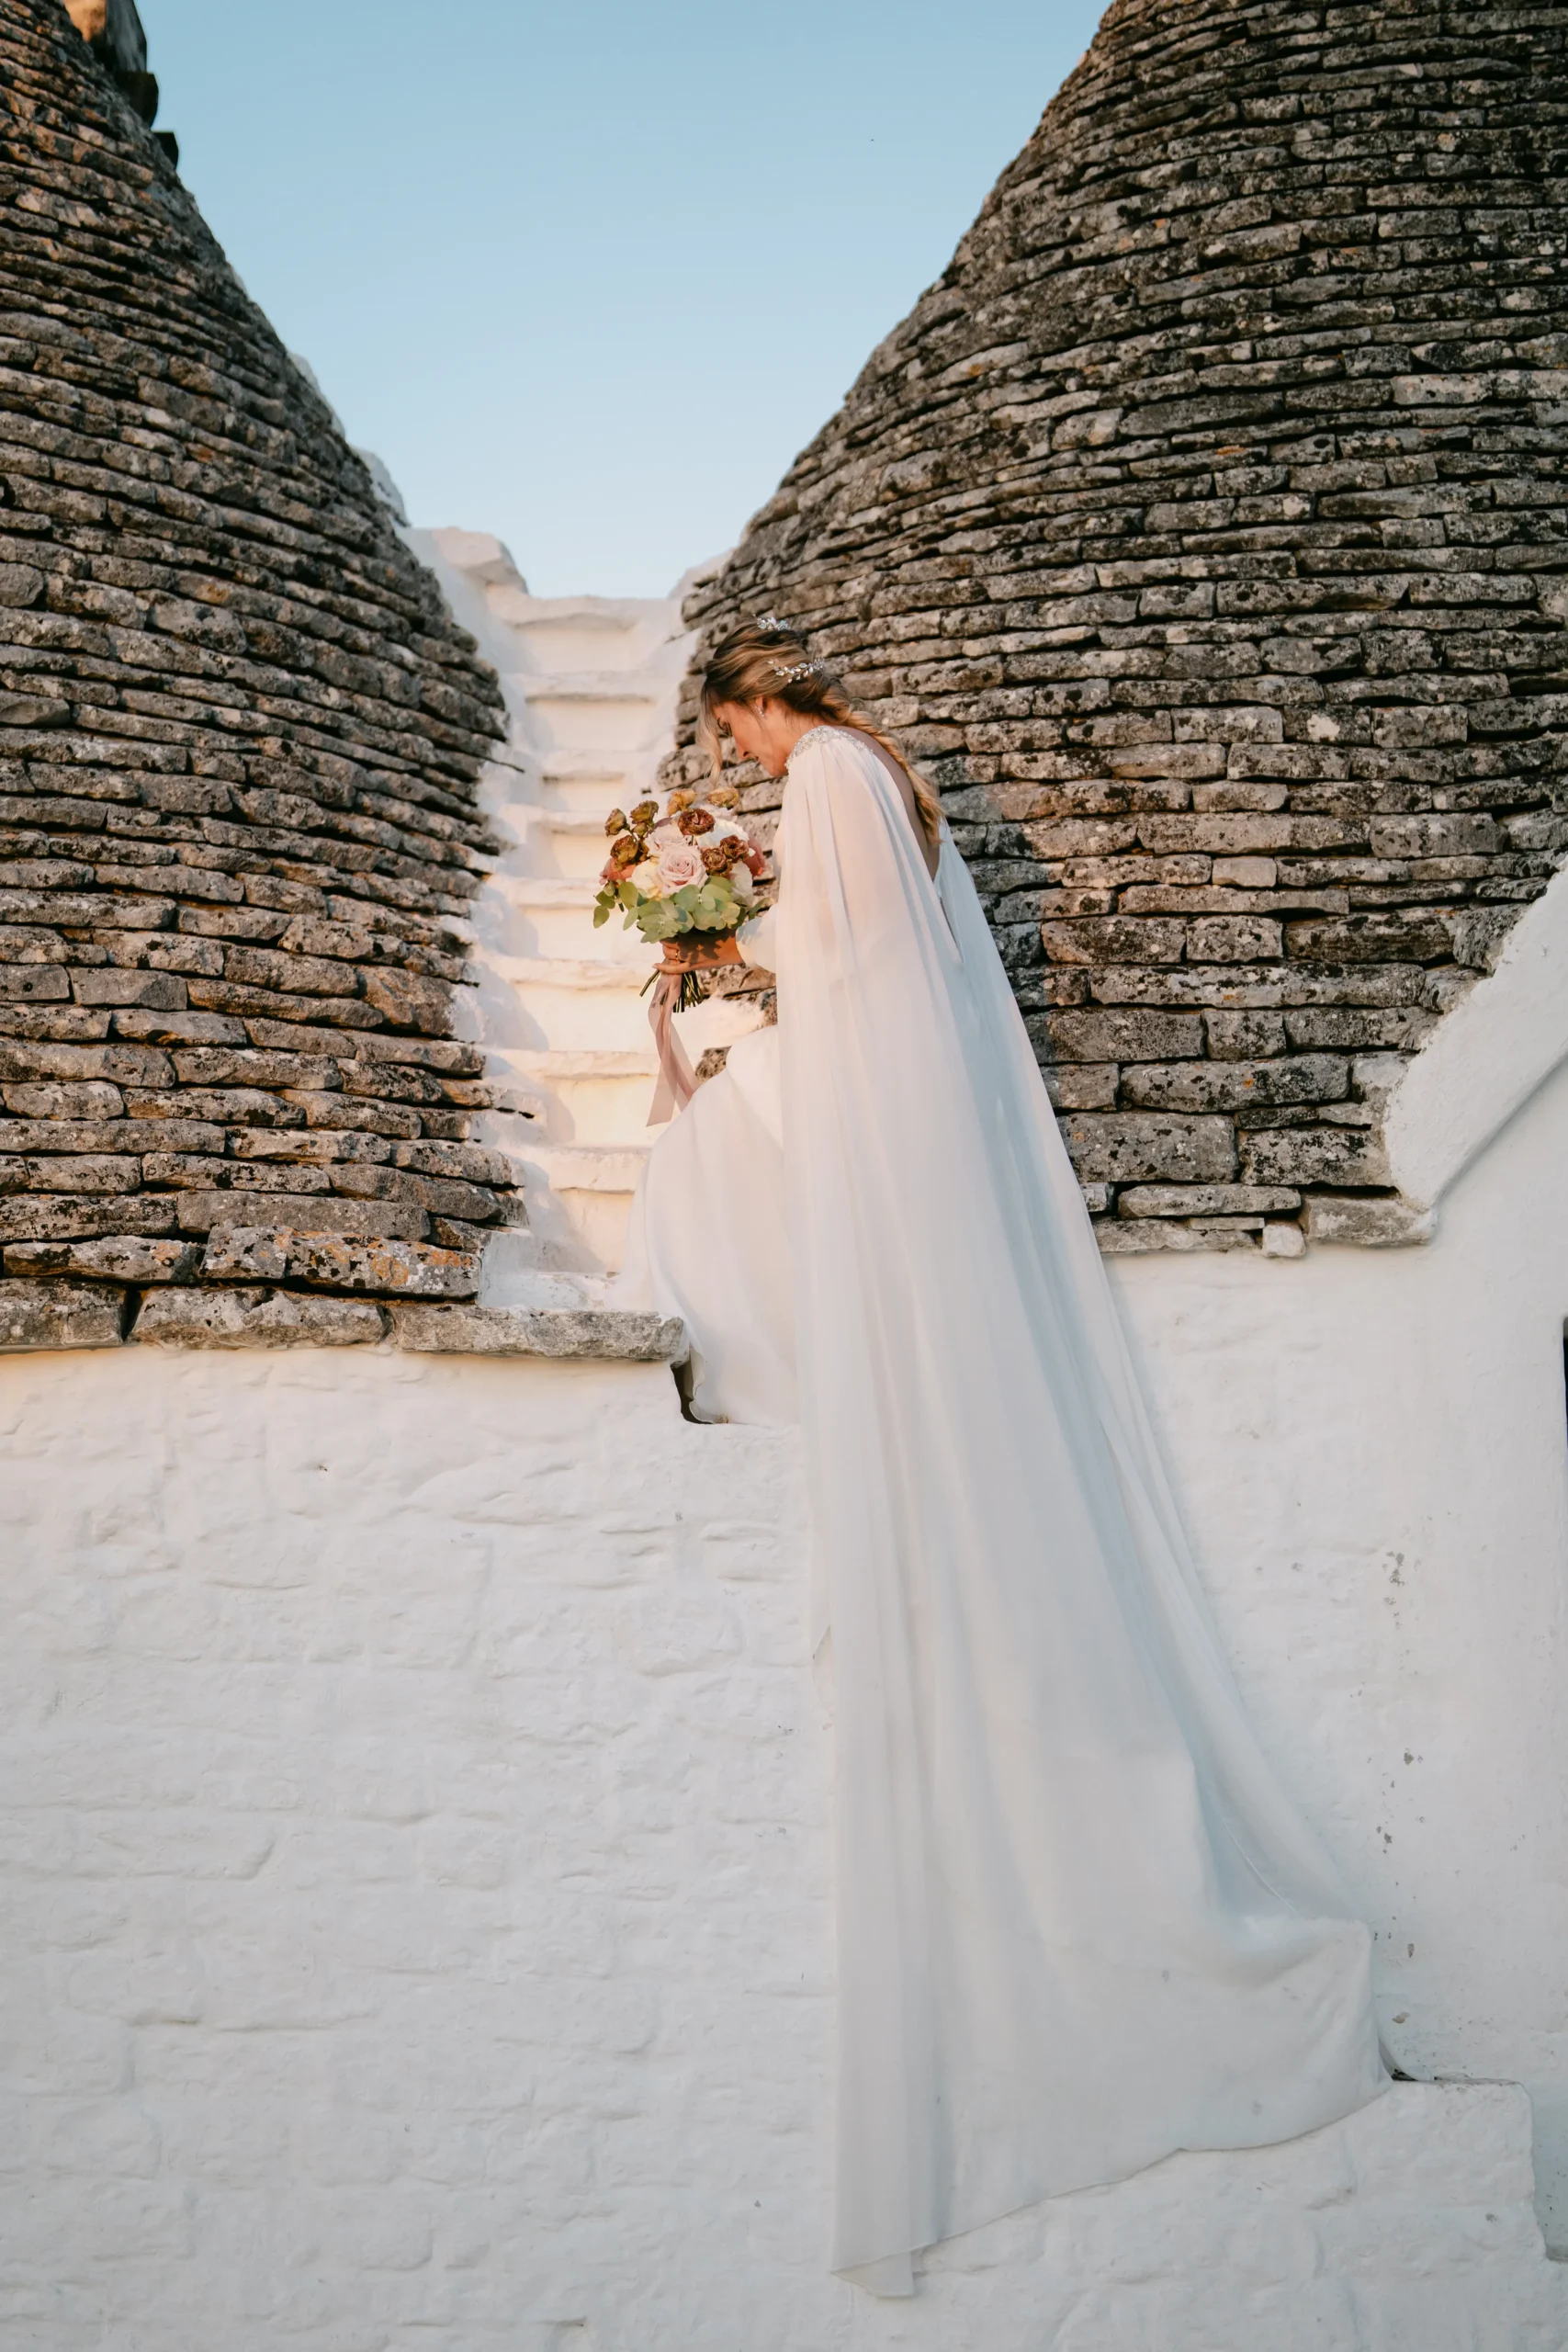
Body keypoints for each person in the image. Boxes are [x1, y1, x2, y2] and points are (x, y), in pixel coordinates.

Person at [619, 619, 1386, 2298]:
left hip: (862, 1094)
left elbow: (848, 965)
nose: (740, 763)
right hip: (905, 1092)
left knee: (689, 1142)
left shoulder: (823, 774)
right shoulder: (877, 769)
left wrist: (724, 960)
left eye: (731, 736)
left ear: (756, 705)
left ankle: (745, 1356)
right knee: (706, 1095)